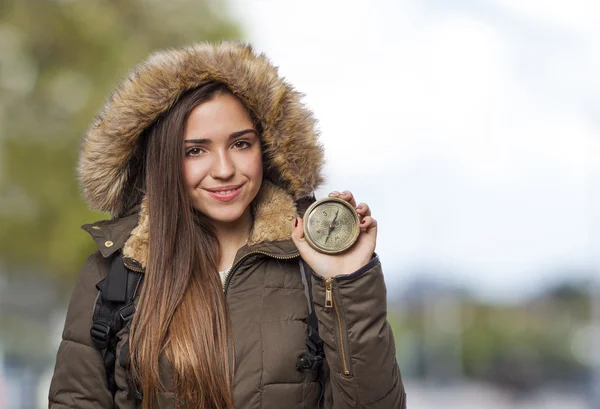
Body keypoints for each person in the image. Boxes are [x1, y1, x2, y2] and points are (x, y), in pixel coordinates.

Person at [48, 42, 406, 409]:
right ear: (163, 161)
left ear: (264, 150)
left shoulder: (310, 265)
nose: (224, 170)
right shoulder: (115, 272)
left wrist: (347, 282)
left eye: (240, 144)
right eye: (195, 150)